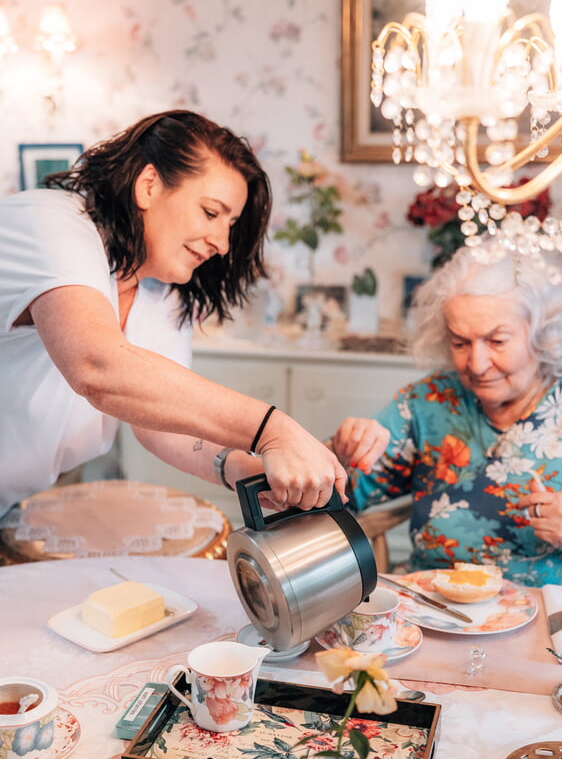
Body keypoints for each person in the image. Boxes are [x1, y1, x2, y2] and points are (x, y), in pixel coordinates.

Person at [0, 110, 347, 517]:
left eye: (231, 224)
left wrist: (243, 469)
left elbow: (160, 425)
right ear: (148, 186)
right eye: (211, 213)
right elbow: (98, 367)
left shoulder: (160, 292)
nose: (222, 242)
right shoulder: (52, 224)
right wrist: (273, 429)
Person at [330, 239, 562, 586]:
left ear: (542, 334)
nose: (478, 364)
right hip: (432, 608)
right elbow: (342, 494)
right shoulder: (428, 401)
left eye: (497, 341)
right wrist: (341, 454)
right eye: (460, 343)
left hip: (543, 618)